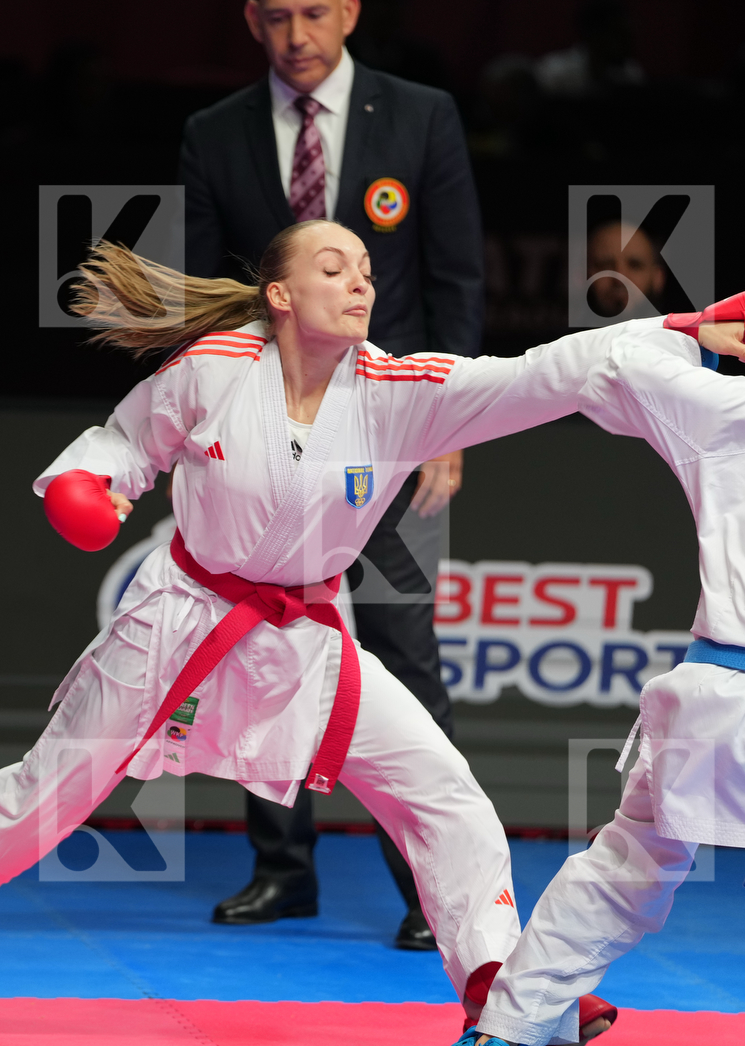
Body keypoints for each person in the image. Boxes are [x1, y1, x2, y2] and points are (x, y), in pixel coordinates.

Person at [0, 218, 709, 1041]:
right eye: (333, 268)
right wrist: (87, 484)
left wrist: (688, 328)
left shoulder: (402, 393)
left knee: (443, 791)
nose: (359, 283)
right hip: (178, 623)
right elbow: (127, 442)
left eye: (367, 271)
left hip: (304, 636)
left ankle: (501, 983)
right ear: (281, 296)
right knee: (46, 797)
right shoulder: (213, 368)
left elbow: (550, 371)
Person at [433, 297, 745, 1046]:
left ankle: (501, 1034)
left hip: (723, 704)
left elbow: (618, 367)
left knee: (627, 865)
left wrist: (696, 329)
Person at [180, 0, 480, 947]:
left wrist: (448, 423)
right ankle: (282, 870)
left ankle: (429, 890)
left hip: (390, 434)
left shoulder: (422, 115)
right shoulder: (215, 132)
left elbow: (455, 278)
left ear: (350, 11)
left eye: (315, 12)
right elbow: (203, 289)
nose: (297, 35)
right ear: (251, 21)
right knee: (261, 647)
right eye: (277, 17)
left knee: (403, 649)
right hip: (266, 439)